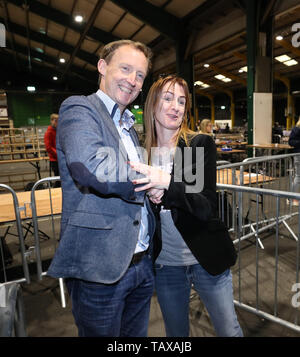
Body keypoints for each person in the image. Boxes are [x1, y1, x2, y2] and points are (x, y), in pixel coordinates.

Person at [47, 39, 156, 337]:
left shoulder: (129, 125)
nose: (132, 80)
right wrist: (152, 180)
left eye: (140, 75)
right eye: (125, 69)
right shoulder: (80, 108)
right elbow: (91, 166)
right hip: (100, 266)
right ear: (102, 66)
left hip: (141, 261)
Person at [129, 75, 243, 337]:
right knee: (176, 334)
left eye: (181, 101)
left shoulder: (196, 145)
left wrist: (166, 183)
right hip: (166, 265)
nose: (176, 106)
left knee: (229, 330)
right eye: (168, 98)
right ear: (152, 105)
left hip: (205, 258)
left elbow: (204, 206)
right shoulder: (141, 152)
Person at [288, 117, 300, 206]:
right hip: (298, 155)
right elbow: (291, 142)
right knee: (298, 177)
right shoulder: (296, 129)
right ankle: (290, 198)